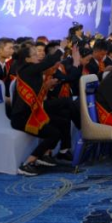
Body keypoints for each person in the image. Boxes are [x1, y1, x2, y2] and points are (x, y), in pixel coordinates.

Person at [9, 41, 73, 174]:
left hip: (33, 112)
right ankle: (27, 164)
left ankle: (45, 156)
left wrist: (47, 86)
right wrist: (61, 48)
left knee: (62, 122)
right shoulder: (27, 69)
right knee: (53, 133)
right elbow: (48, 62)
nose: (38, 55)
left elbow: (37, 93)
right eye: (34, 54)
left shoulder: (32, 71)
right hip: (22, 118)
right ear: (27, 59)